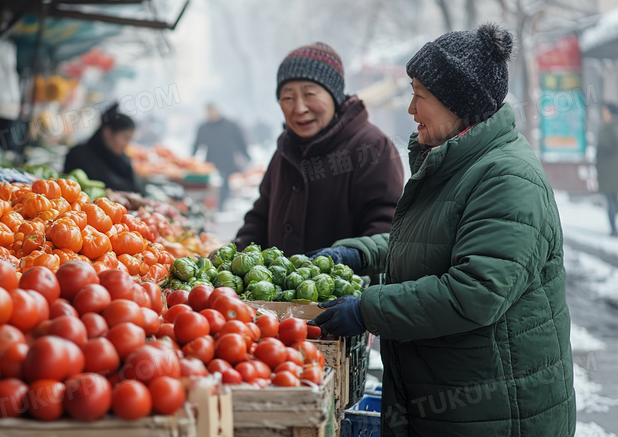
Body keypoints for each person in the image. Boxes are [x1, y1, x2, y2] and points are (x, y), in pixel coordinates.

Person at [309, 24, 576, 436]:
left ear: (457, 105)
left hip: (496, 412)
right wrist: (360, 253)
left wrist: (368, 309)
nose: (411, 110)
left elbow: (476, 291)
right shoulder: (459, 162)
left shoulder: (507, 178)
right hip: (453, 403)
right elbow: (430, 241)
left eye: (420, 96)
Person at [234, 42, 404, 255]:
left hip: (345, 286)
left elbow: (385, 228)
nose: (299, 108)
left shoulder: (370, 148)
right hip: (282, 287)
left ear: (334, 96)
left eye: (310, 95)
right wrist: (235, 253)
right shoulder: (285, 150)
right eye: (287, 98)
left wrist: (345, 262)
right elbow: (260, 218)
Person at [63, 102, 141, 193]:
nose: (127, 144)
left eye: (130, 140)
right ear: (107, 132)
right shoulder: (78, 156)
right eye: (125, 138)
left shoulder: (123, 161)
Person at [192, 103, 250, 210]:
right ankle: (218, 206)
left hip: (228, 159)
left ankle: (223, 205)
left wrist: (246, 155)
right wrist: (192, 159)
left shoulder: (230, 125)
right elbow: (197, 144)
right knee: (215, 185)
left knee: (227, 183)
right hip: (212, 160)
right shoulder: (204, 127)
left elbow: (240, 141)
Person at [596, 102, 618, 236]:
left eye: (604, 111)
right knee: (611, 200)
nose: (602, 114)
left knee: (611, 201)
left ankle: (613, 229)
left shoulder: (613, 127)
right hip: (608, 172)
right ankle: (613, 229)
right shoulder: (607, 127)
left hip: (613, 172)